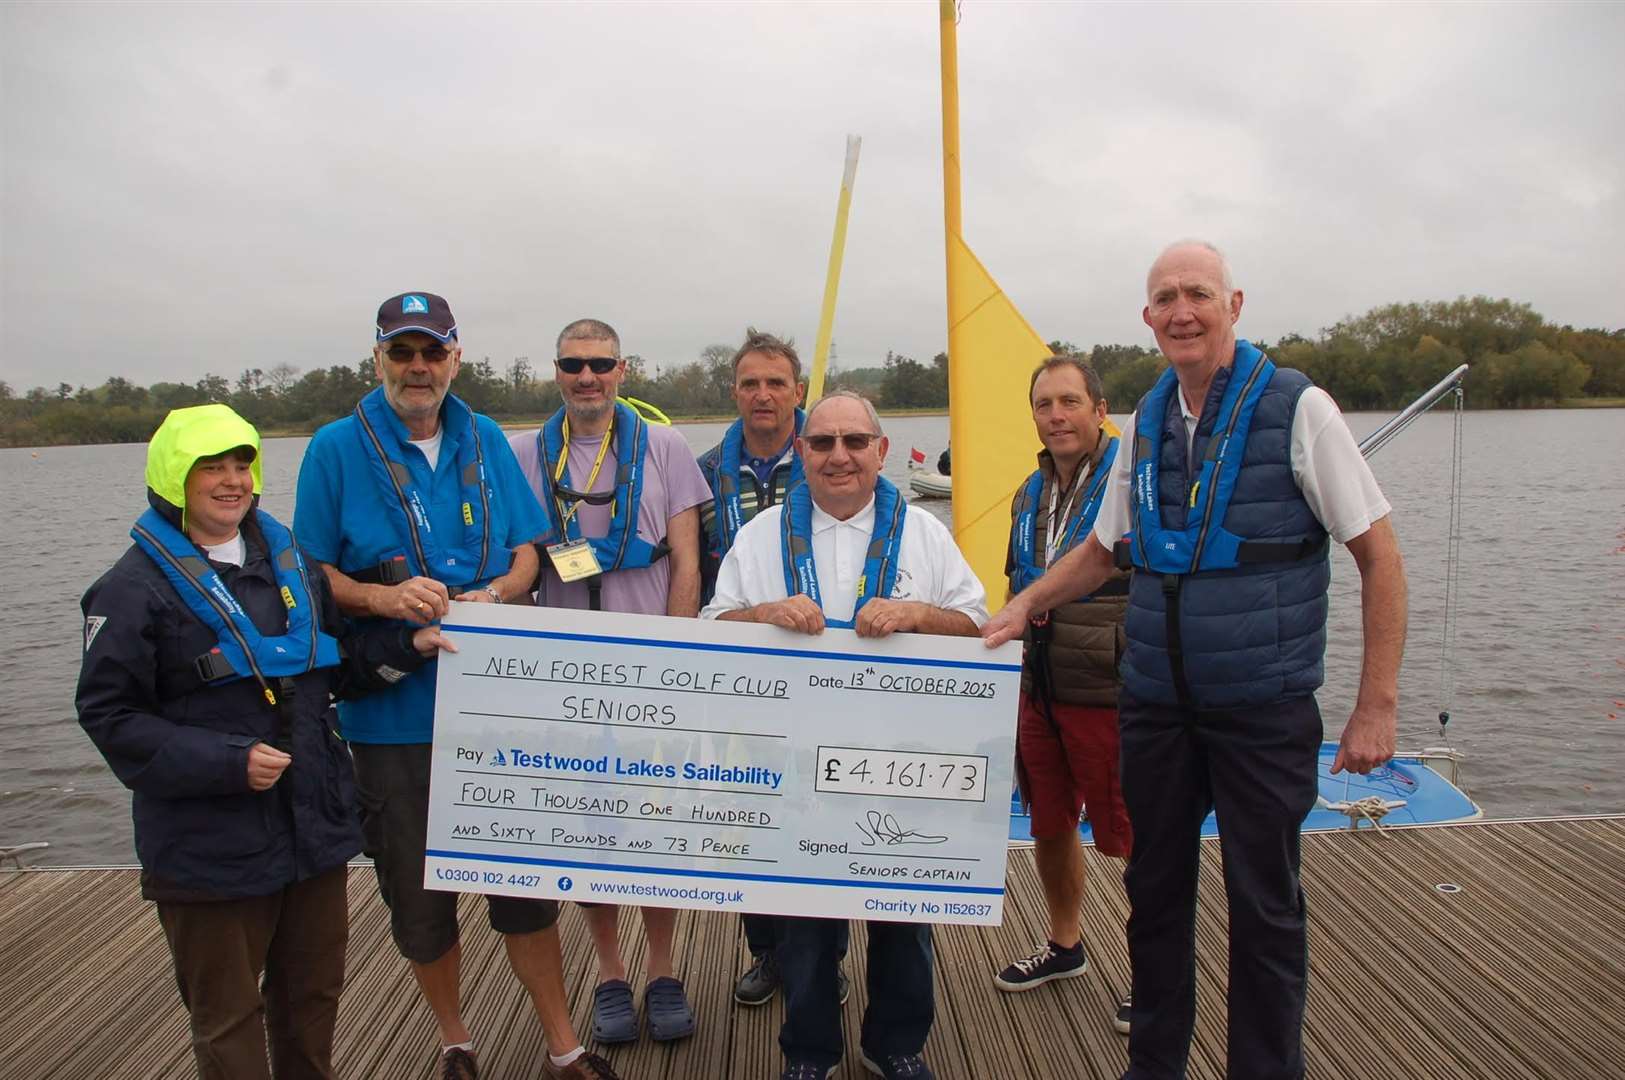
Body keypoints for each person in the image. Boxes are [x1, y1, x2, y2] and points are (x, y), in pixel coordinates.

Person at [983, 242, 1407, 1080]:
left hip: (1260, 706)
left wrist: (1377, 703)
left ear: (1234, 304)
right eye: (1164, 298)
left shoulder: (1299, 408)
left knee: (1264, 907)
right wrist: (1024, 605)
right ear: (1146, 318)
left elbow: (1379, 556)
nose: (1181, 311)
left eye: (1197, 294)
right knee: (1154, 899)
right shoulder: (1142, 421)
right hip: (1154, 706)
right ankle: (1154, 1066)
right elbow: (1103, 552)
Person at [76, 404, 454, 1079]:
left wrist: (410, 645)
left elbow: (335, 671)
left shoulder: (292, 567)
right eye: (210, 468)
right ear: (172, 479)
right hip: (207, 848)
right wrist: (226, 762)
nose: (231, 481)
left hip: (312, 833)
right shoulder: (129, 589)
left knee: (311, 998)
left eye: (241, 464)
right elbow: (110, 716)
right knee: (226, 1020)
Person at [294, 294, 618, 1080]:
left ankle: (562, 1046)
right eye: (401, 353)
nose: (417, 368)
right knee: (418, 897)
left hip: (493, 707)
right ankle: (455, 1040)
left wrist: (496, 597)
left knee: (522, 888)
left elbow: (528, 554)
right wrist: (382, 599)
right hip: (391, 714)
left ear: (455, 358)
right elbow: (308, 573)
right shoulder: (335, 449)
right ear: (377, 358)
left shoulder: (483, 439)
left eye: (430, 352)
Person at [701, 390, 989, 1080]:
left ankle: (893, 1043)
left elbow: (978, 628)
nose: (839, 456)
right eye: (823, 443)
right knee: (802, 923)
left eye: (855, 442)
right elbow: (710, 632)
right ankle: (809, 1050)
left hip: (902, 759)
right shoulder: (759, 535)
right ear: (801, 451)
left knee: (903, 919)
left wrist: (919, 613)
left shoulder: (924, 533)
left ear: (881, 452)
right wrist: (766, 611)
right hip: (792, 758)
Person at [510, 317, 710, 1045]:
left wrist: (677, 661)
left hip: (650, 665)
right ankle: (608, 972)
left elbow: (686, 560)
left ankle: (662, 969)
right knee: (590, 828)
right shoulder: (525, 452)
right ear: (556, 370)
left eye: (599, 364)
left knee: (654, 826)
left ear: (622, 369)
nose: (586, 377)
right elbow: (520, 563)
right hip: (568, 674)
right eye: (573, 364)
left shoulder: (664, 447)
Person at [694, 329, 852, 1010]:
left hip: (825, 673)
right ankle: (766, 951)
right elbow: (694, 569)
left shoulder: (832, 459)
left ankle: (826, 959)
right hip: (741, 672)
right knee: (748, 812)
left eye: (775, 383)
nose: (762, 395)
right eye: (749, 383)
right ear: (734, 392)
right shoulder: (702, 472)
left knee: (821, 817)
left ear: (797, 392)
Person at [992, 356, 1134, 1035]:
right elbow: (1017, 583)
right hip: (1037, 683)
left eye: (1069, 401)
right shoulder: (1028, 490)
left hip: (1108, 686)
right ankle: (1064, 944)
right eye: (1044, 404)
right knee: (1048, 823)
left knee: (1131, 837)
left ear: (1098, 409)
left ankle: (1151, 975)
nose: (1056, 415)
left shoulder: (1131, 482)